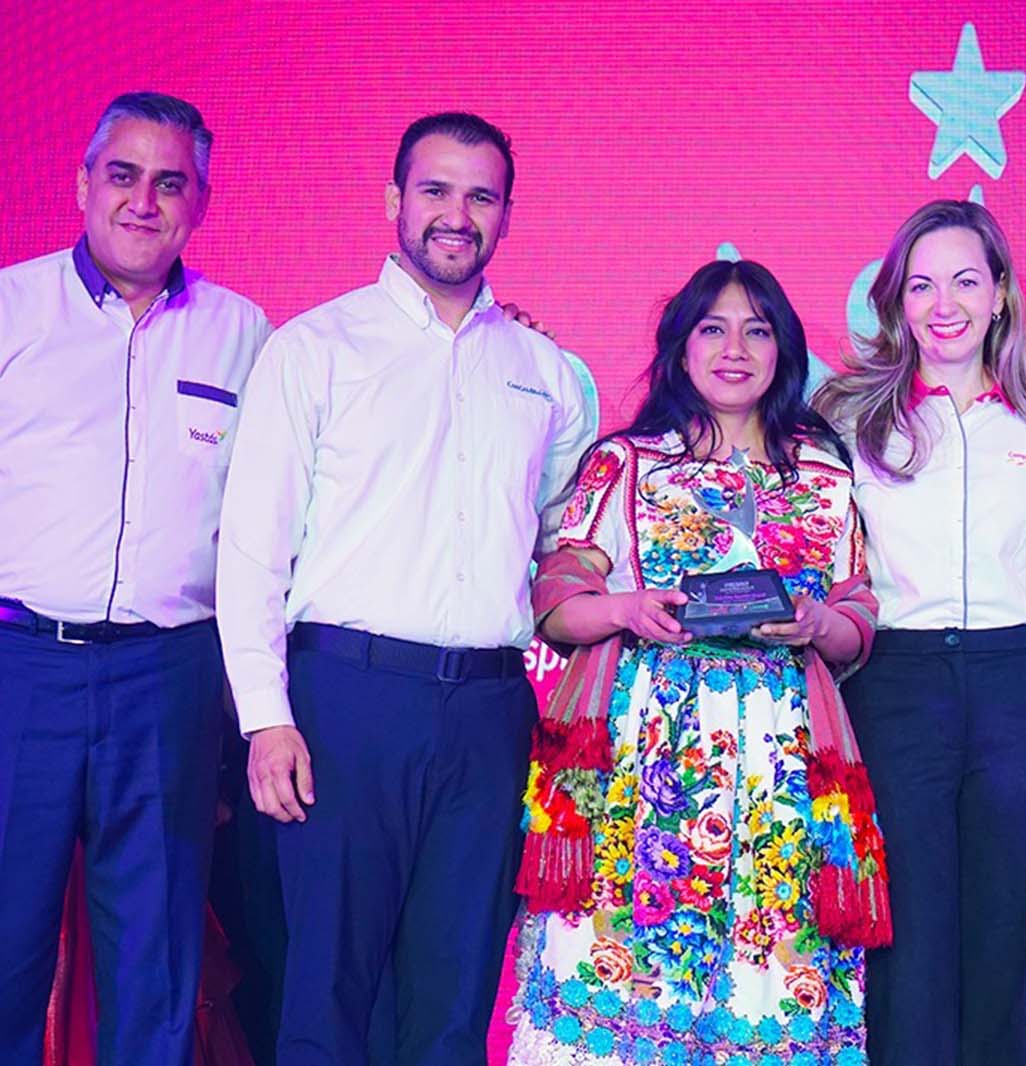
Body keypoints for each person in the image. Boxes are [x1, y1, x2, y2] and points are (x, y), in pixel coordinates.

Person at [215, 111, 595, 1065]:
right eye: (434, 190)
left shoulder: (551, 374)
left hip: (491, 710)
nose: (455, 214)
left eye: (481, 196)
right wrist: (266, 718)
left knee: (456, 991)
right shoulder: (315, 349)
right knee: (327, 990)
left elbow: (568, 548)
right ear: (393, 201)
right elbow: (253, 549)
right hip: (345, 703)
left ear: (507, 215)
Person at [504, 258, 889, 1065]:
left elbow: (859, 620)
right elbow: (554, 597)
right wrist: (626, 609)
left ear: (784, 349)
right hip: (647, 759)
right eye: (712, 328)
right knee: (629, 972)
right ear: (681, 350)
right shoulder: (627, 462)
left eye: (757, 329)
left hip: (781, 761)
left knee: (767, 975)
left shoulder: (823, 473)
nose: (735, 347)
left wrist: (819, 622)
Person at [0, 91, 271, 1066]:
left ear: (200, 201)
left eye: (171, 182)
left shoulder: (246, 335)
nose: (143, 201)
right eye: (123, 175)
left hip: (169, 677)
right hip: (19, 666)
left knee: (154, 965)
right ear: (82, 185)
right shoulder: (12, 309)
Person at [812, 199, 1026, 1066]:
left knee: (1019, 928)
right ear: (896, 301)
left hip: (1025, 686)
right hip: (894, 686)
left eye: (966, 280)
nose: (945, 304)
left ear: (1000, 294)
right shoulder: (847, 417)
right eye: (923, 284)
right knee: (908, 932)